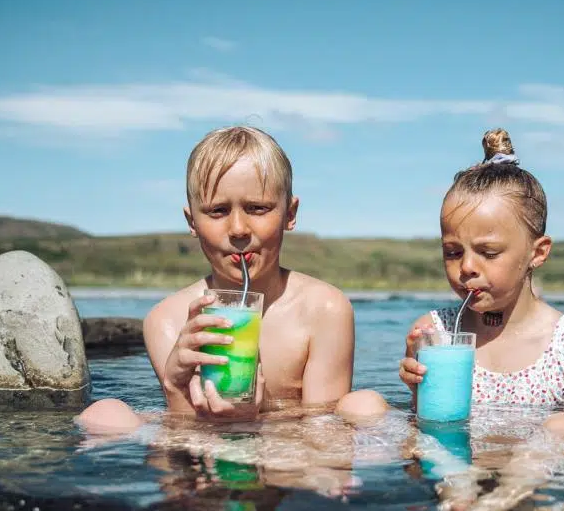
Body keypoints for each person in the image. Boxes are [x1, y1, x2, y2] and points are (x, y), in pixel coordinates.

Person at [78, 126, 384, 432]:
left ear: (289, 214)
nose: (238, 229)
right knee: (104, 413)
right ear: (192, 221)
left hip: (290, 451)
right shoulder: (168, 320)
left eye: (258, 208)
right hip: (206, 445)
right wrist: (175, 386)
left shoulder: (324, 309)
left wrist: (253, 425)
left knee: (364, 405)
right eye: (218, 211)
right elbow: (185, 433)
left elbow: (323, 433)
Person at [398, 128, 564, 436]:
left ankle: (510, 485)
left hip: (534, 478)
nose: (467, 267)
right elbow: (424, 428)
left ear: (537, 252)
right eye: (453, 252)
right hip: (453, 469)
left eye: (489, 252)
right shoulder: (436, 334)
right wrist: (418, 385)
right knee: (362, 405)